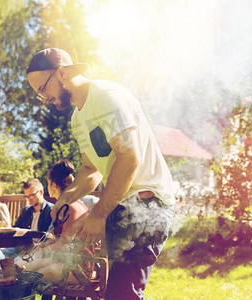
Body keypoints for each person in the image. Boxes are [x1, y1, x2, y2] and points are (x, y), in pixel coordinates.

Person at [26, 48, 175, 299]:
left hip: (147, 204)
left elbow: (129, 158)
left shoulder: (105, 96)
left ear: (61, 73)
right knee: (119, 292)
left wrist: (98, 214)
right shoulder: (78, 117)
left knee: (122, 294)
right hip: (122, 204)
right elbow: (91, 169)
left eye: (42, 89)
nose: (44, 99)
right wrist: (66, 198)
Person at [16, 159, 99, 284]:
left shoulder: (71, 207)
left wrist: (40, 251)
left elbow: (63, 245)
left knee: (29, 275)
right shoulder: (70, 205)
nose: (48, 187)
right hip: (68, 263)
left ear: (53, 185)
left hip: (76, 270)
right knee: (22, 267)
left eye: (48, 184)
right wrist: (41, 248)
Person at [0, 178, 55, 269]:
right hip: (19, 248)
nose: (29, 199)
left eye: (32, 195)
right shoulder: (26, 211)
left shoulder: (51, 211)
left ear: (41, 192)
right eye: (26, 196)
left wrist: (39, 246)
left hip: (38, 251)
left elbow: (53, 238)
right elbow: (15, 230)